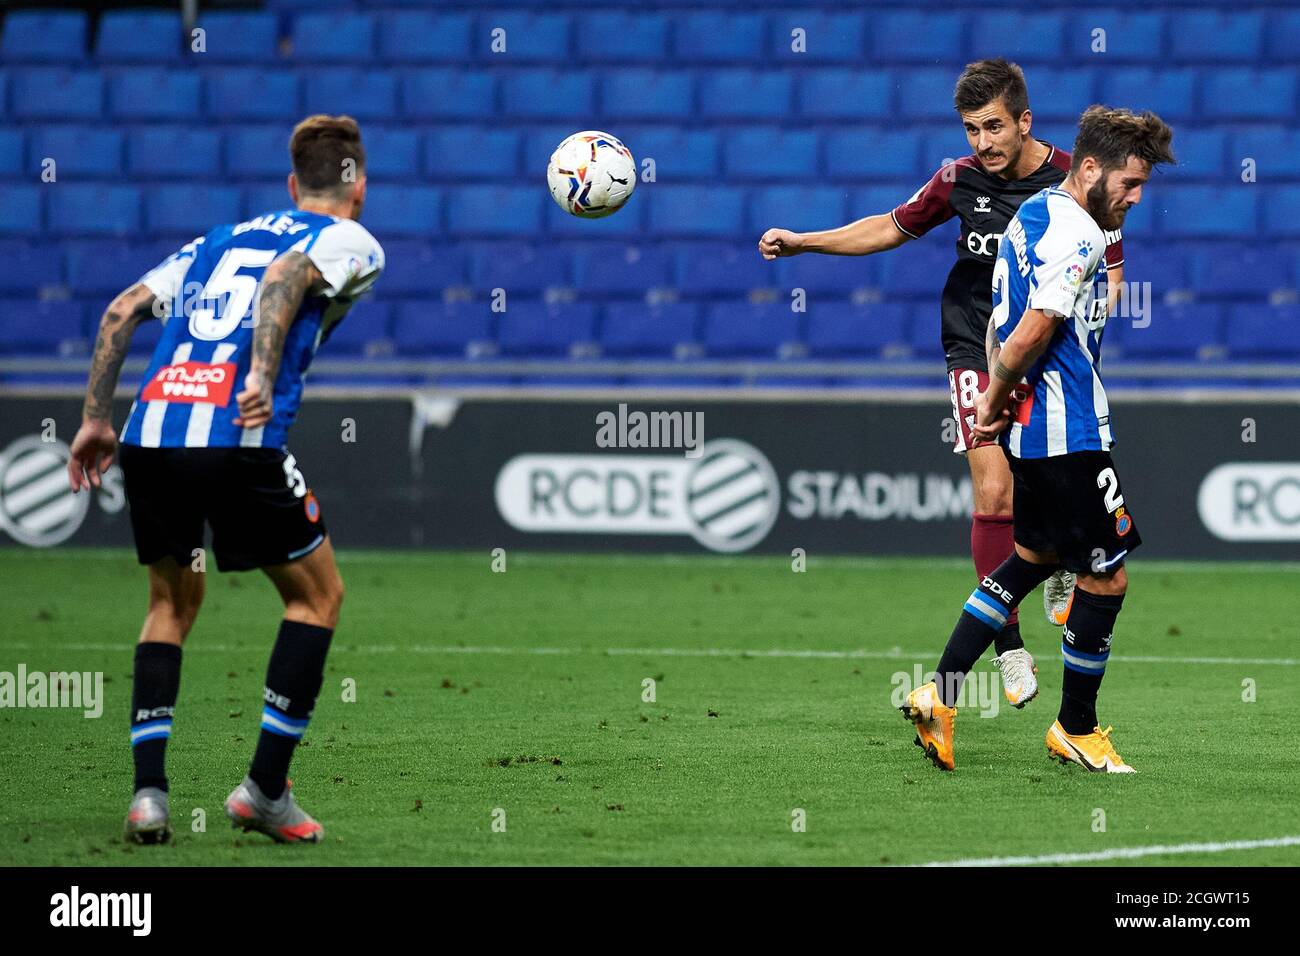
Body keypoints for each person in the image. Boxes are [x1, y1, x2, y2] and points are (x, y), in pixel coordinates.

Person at [760, 59, 1126, 708]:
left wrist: (1092, 325)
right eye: (970, 129)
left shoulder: (1076, 178)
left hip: (1048, 353)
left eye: (993, 127)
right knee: (993, 490)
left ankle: (1061, 567)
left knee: (1053, 487)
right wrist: (803, 243)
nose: (981, 143)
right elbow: (890, 226)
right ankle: (1008, 646)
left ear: (1025, 122)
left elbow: (1113, 263)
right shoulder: (957, 180)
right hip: (975, 347)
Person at [67, 114, 385, 841]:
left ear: (289, 183)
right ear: (356, 186)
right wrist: (264, 377)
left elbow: (122, 310)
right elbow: (287, 277)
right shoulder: (348, 239)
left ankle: (149, 797)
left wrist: (93, 420)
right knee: (318, 597)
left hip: (150, 432)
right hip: (236, 436)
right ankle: (264, 791)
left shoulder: (220, 239)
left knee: (172, 602)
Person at [901, 105, 1175, 772]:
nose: (1136, 200)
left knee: (1028, 560)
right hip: (1067, 433)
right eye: (1131, 184)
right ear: (1090, 168)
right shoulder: (1080, 236)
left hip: (1035, 430)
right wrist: (993, 401)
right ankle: (1075, 728)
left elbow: (1003, 317)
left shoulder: (1033, 214)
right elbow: (1030, 331)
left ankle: (939, 693)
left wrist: (1003, 407)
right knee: (1105, 580)